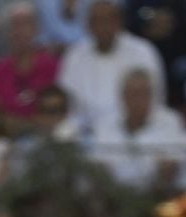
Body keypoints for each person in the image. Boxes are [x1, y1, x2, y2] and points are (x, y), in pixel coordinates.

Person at [56, 0, 163, 139]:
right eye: (96, 21)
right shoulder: (74, 55)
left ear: (119, 21)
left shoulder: (143, 51)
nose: (103, 26)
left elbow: (156, 99)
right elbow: (66, 102)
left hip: (134, 134)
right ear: (88, 25)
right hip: (85, 135)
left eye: (108, 19)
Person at [87, 66, 186, 190]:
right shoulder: (104, 124)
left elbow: (175, 164)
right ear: (123, 97)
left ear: (152, 95)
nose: (138, 100)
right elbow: (98, 165)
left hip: (157, 193)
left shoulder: (170, 121)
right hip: (113, 195)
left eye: (144, 94)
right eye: (133, 94)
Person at [0, 1, 58, 128]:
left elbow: (57, 110)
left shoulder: (52, 66)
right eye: (14, 25)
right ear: (6, 32)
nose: (19, 31)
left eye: (26, 24)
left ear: (36, 29)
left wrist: (21, 123)